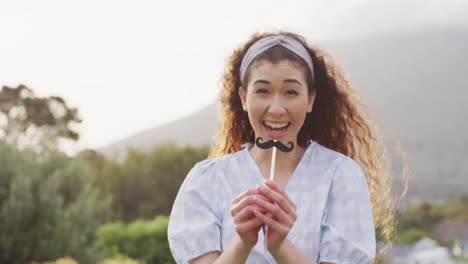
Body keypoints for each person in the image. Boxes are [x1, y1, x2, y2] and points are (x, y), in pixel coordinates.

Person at [167, 31, 396, 264]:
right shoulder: (206, 181)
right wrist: (243, 243)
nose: (276, 108)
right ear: (244, 97)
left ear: (310, 100)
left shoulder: (341, 176)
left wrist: (279, 246)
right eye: (263, 91)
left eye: (291, 92)